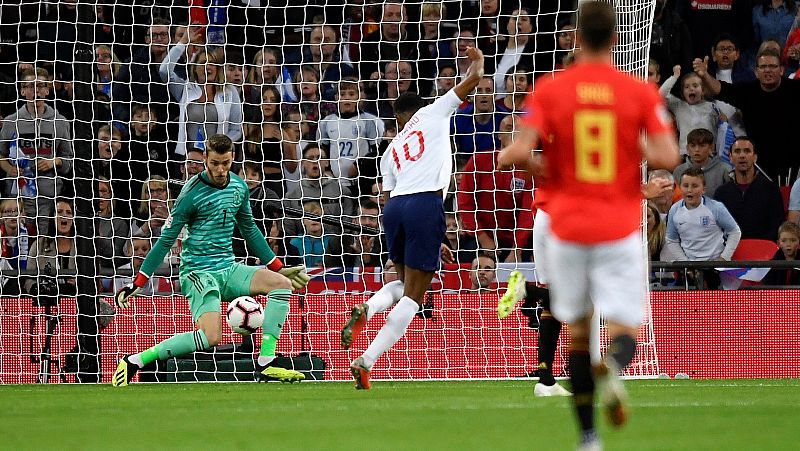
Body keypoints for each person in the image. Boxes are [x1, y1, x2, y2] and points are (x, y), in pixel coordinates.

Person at [496, 3, 681, 448]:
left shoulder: (550, 90)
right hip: (617, 227)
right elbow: (667, 157)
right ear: (616, 39)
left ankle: (588, 437)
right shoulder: (635, 90)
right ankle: (614, 366)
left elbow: (512, 156)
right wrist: (627, 142)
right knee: (622, 330)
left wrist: (554, 169)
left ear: (575, 38)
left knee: (577, 335)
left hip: (564, 226)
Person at [112, 134, 311, 387]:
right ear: (205, 158)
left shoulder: (238, 187)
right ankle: (136, 361)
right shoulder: (190, 194)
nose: (220, 169)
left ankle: (266, 363)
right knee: (210, 337)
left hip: (228, 268)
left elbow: (249, 229)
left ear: (233, 158)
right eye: (214, 163)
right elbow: (165, 240)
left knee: (281, 284)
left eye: (225, 163)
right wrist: (138, 281)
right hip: (198, 273)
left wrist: (278, 266)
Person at [340, 45, 485, 390]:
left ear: (397, 119)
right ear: (418, 110)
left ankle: (369, 307)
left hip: (395, 211)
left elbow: (389, 199)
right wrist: (476, 60)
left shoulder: (390, 151)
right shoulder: (434, 112)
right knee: (414, 297)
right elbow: (474, 78)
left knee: (404, 284)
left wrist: (437, 239)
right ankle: (367, 359)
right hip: (425, 205)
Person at [693, 47, 800, 182]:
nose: (767, 70)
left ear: (782, 70)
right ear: (756, 71)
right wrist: (704, 75)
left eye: (772, 66)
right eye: (763, 67)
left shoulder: (796, 90)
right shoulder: (748, 92)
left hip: (795, 167)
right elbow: (720, 90)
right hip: (760, 166)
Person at [0, 68, 73, 235]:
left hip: (50, 196)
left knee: (45, 242)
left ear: (48, 90)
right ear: (22, 90)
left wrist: (53, 162)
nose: (36, 90)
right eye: (30, 86)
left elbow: (69, 159)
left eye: (40, 85)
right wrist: (9, 169)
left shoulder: (60, 122)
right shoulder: (11, 122)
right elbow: (1, 155)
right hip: (19, 196)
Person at [457, 114, 532, 261]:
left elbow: (527, 213)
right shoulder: (478, 161)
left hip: (513, 241)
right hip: (477, 237)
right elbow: (465, 204)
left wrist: (516, 249)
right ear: (499, 135)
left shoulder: (528, 168)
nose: (513, 133)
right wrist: (483, 237)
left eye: (518, 129)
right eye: (509, 128)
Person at [665, 167, 742, 288]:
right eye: (685, 185)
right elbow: (671, 240)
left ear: (703, 189)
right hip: (689, 270)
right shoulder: (675, 210)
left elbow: (734, 231)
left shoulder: (716, 208)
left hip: (715, 269)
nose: (689, 190)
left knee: (715, 305)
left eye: (695, 186)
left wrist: (723, 258)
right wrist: (686, 264)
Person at [713, 136, 785, 241]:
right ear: (730, 158)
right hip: (730, 251)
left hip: (764, 251)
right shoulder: (721, 193)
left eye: (747, 151)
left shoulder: (771, 190)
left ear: (755, 157)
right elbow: (717, 228)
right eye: (737, 151)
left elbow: (777, 226)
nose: (742, 155)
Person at [659, 66, 720, 155]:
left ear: (703, 90)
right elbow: (660, 95)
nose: (691, 89)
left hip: (709, 155)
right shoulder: (678, 106)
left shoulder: (713, 107)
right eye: (687, 87)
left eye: (695, 86)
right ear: (682, 93)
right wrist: (675, 76)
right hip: (685, 155)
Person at [672, 128, 732, 197]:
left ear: (711, 148)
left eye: (702, 146)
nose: (697, 150)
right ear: (687, 148)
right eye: (693, 146)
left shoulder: (724, 169)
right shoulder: (679, 171)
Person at [763, 221, 800, 286]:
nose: (788, 244)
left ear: (799, 243)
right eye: (784, 241)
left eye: (793, 240)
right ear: (778, 243)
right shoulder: (772, 264)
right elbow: (769, 287)